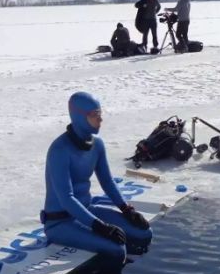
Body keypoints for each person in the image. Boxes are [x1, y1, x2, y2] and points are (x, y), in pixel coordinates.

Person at [42, 92, 153, 264]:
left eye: (100, 114)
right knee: (116, 248)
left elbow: (107, 182)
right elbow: (66, 198)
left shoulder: (97, 144)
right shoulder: (59, 150)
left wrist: (127, 210)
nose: (100, 120)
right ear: (79, 117)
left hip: (87, 210)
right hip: (60, 222)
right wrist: (99, 226)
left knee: (144, 232)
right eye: (94, 115)